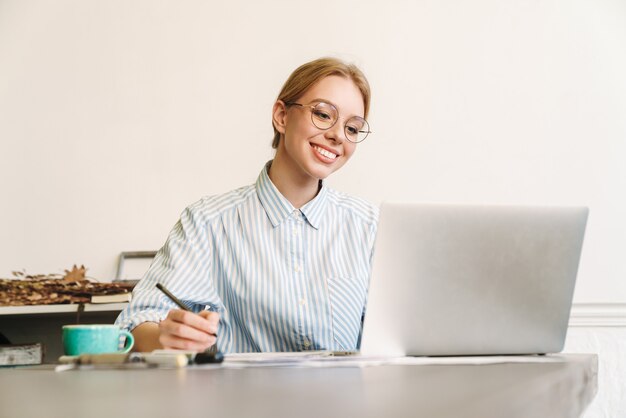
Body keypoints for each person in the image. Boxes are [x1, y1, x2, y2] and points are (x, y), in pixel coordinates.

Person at [115, 57, 378, 353]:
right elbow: (135, 323)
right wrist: (166, 336)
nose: (337, 135)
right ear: (281, 116)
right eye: (323, 114)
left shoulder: (370, 226)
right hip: (244, 398)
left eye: (353, 129)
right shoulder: (207, 223)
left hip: (347, 398)